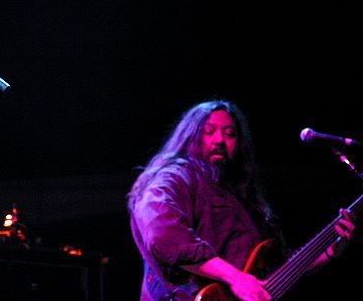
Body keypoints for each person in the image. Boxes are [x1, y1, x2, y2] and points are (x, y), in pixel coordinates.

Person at [128, 100, 355, 301]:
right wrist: (236, 278)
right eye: (209, 131)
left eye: (230, 134)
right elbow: (164, 234)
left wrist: (328, 252)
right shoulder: (174, 178)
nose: (220, 140)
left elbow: (272, 275)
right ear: (190, 136)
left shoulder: (241, 197)